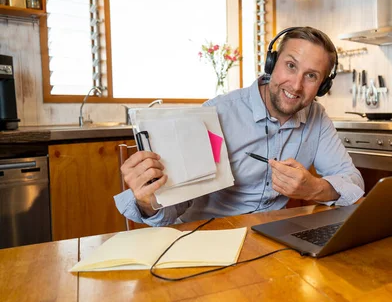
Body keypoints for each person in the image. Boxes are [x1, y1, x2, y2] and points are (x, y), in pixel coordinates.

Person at [114, 26, 364, 226]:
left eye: (311, 76)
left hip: (270, 236)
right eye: (290, 65)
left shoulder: (316, 118)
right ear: (271, 64)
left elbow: (353, 182)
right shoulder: (217, 114)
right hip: (206, 236)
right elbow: (174, 209)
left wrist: (315, 188)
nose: (296, 85)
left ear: (322, 86)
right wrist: (148, 201)